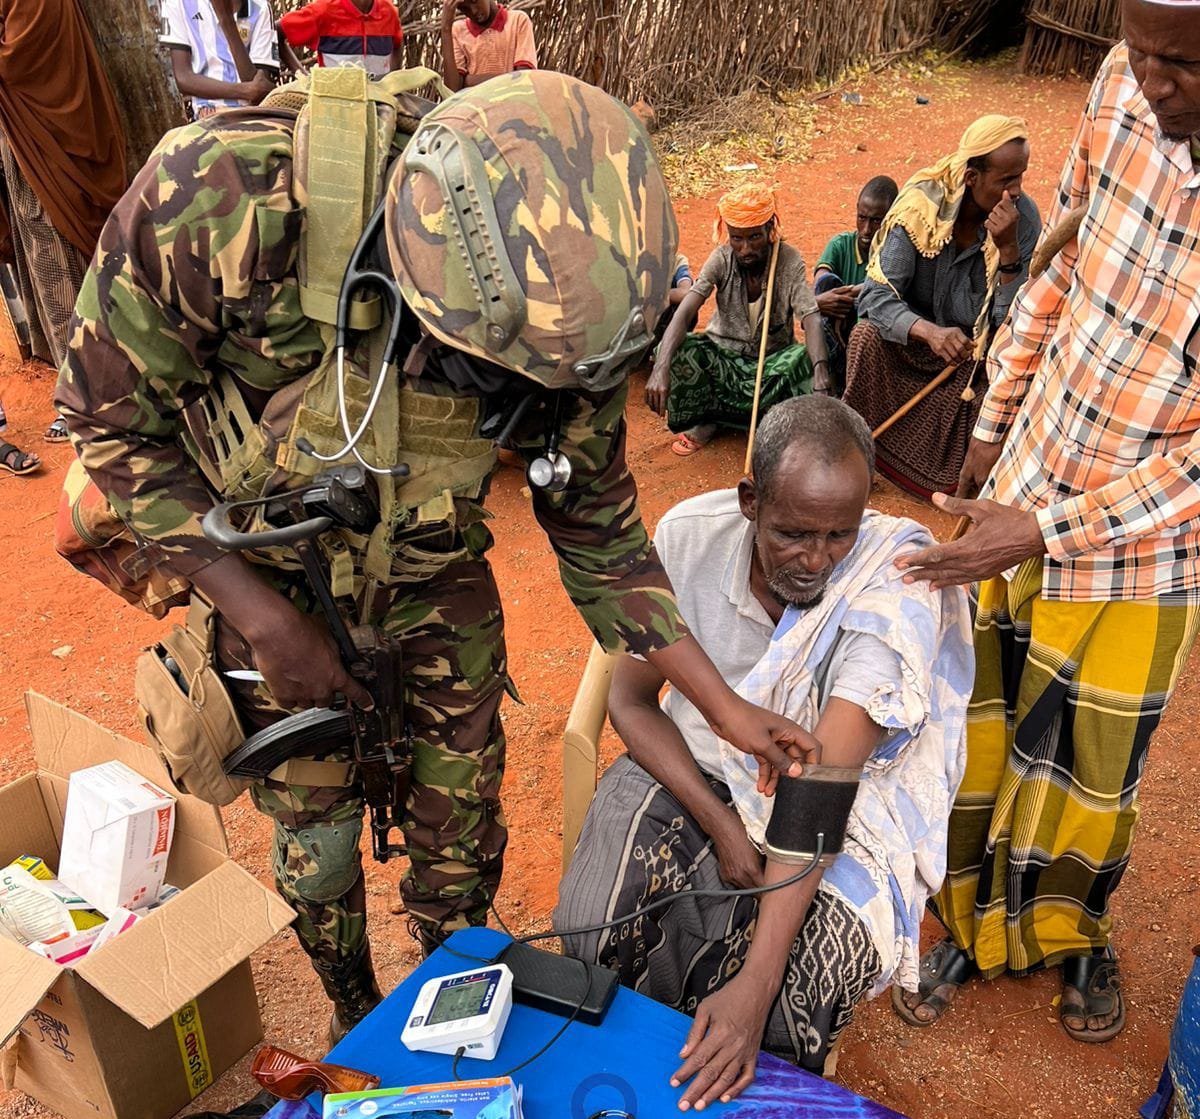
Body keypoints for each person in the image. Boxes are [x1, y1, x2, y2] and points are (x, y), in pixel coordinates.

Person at [57, 70, 813, 1042]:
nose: (530, 397)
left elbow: (599, 529)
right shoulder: (226, 197)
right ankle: (349, 1007)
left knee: (460, 841)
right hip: (265, 568)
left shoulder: (576, 298)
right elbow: (105, 423)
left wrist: (726, 707)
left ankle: (445, 999)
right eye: (504, 373)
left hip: (431, 563)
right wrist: (258, 614)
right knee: (318, 849)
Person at [892, 0, 1200, 1045]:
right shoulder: (1123, 83)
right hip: (1031, 470)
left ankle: (1072, 933)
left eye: (1183, 65)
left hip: (1146, 552)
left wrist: (1048, 531)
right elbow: (1059, 263)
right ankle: (967, 927)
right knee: (981, 726)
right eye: (1143, 51)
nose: (1155, 84)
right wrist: (991, 426)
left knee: (1090, 767)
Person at [555, 396, 973, 1108]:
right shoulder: (689, 538)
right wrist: (720, 826)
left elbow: (823, 783)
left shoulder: (889, 579)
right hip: (690, 768)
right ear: (750, 500)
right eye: (792, 533)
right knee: (593, 923)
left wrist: (757, 983)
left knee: (799, 989)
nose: (816, 560)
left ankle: (726, 1081)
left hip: (832, 807)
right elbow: (630, 702)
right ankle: (632, 1077)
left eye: (840, 533)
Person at [842, 116, 1041, 497]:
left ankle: (949, 482)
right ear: (972, 178)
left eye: (1020, 177)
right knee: (865, 337)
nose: (1016, 191)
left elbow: (1016, 326)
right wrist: (929, 332)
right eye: (1005, 180)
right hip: (913, 346)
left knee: (1007, 383)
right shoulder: (921, 205)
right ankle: (860, 459)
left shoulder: (1023, 221)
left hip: (972, 361)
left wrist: (1010, 253)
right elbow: (874, 297)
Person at [0, 0, 127, 443]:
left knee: (62, 262)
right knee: (48, 266)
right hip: (29, 146)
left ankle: (87, 400)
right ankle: (79, 390)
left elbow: (18, 61)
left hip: (52, 149)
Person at [645, 183, 830, 456]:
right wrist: (660, 366)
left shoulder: (789, 260)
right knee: (677, 351)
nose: (744, 249)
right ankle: (707, 420)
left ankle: (772, 423)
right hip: (725, 363)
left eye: (754, 237)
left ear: (770, 229)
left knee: (805, 361)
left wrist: (821, 370)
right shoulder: (721, 259)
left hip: (770, 367)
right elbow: (686, 310)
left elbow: (811, 317)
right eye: (736, 239)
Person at [798, 175, 898, 395]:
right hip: (837, 342)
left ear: (891, 218)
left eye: (876, 221)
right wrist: (828, 302)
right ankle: (826, 386)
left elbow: (893, 289)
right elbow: (823, 283)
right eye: (862, 218)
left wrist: (854, 297)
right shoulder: (840, 245)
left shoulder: (896, 253)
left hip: (873, 348)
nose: (866, 229)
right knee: (818, 310)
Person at [160, 0, 279, 118]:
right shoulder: (178, 3)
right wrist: (245, 91)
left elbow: (260, 89)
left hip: (254, 115)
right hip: (208, 115)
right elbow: (183, 79)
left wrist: (226, 20)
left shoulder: (260, 7)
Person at [278, 0, 404, 79]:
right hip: (335, 99)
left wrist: (391, 79)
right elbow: (277, 31)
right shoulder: (324, 10)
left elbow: (397, 44)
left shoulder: (388, 11)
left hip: (380, 100)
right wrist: (302, 76)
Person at [440, 0, 537, 93]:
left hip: (511, 107)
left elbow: (522, 79)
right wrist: (445, 29)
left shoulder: (518, 21)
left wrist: (467, 81)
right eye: (464, 8)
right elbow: (452, 90)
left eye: (474, 1)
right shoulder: (457, 31)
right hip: (475, 108)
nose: (473, 11)